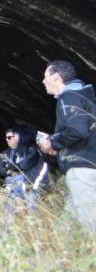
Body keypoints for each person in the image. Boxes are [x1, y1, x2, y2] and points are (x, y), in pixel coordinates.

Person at [37, 60, 96, 233]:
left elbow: (77, 131)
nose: (43, 81)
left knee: (90, 222)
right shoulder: (86, 98)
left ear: (56, 77)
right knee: (65, 228)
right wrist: (58, 143)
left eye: (45, 76)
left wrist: (52, 142)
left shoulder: (69, 97)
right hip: (90, 164)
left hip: (81, 168)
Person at [0, 126, 49, 211]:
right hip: (21, 185)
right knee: (9, 199)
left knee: (32, 209)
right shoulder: (8, 153)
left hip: (34, 185)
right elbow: (0, 169)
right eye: (6, 138)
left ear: (21, 136)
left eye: (9, 137)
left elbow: (24, 165)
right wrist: (11, 172)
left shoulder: (32, 149)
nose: (7, 140)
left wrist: (11, 166)